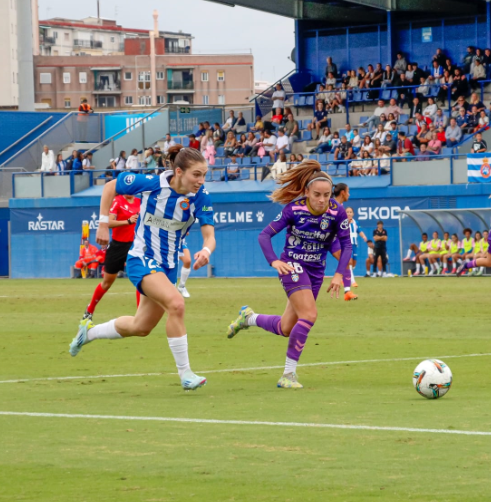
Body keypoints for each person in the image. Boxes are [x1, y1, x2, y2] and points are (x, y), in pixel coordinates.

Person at [68, 146, 216, 392]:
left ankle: (89, 333)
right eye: (196, 175)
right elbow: (109, 187)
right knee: (177, 304)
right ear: (178, 171)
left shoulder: (201, 197)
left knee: (141, 327)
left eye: (204, 175)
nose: (201, 181)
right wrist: (103, 225)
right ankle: (185, 374)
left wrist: (206, 251)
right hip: (141, 259)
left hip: (168, 268)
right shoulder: (150, 183)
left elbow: (210, 236)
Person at [225, 161, 351, 389]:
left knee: (286, 328)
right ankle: (288, 375)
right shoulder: (294, 210)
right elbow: (264, 236)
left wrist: (339, 275)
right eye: (317, 195)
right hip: (292, 267)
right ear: (306, 192)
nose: (322, 200)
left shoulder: (337, 211)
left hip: (315, 272)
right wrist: (275, 261)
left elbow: (347, 246)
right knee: (310, 315)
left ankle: (248, 318)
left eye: (326, 194)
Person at [82, 191, 142, 319]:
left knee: (140, 278)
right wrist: (127, 221)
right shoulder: (118, 201)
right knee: (107, 282)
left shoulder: (139, 202)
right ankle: (90, 309)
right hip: (118, 247)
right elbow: (108, 222)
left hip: (135, 245)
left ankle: (140, 315)